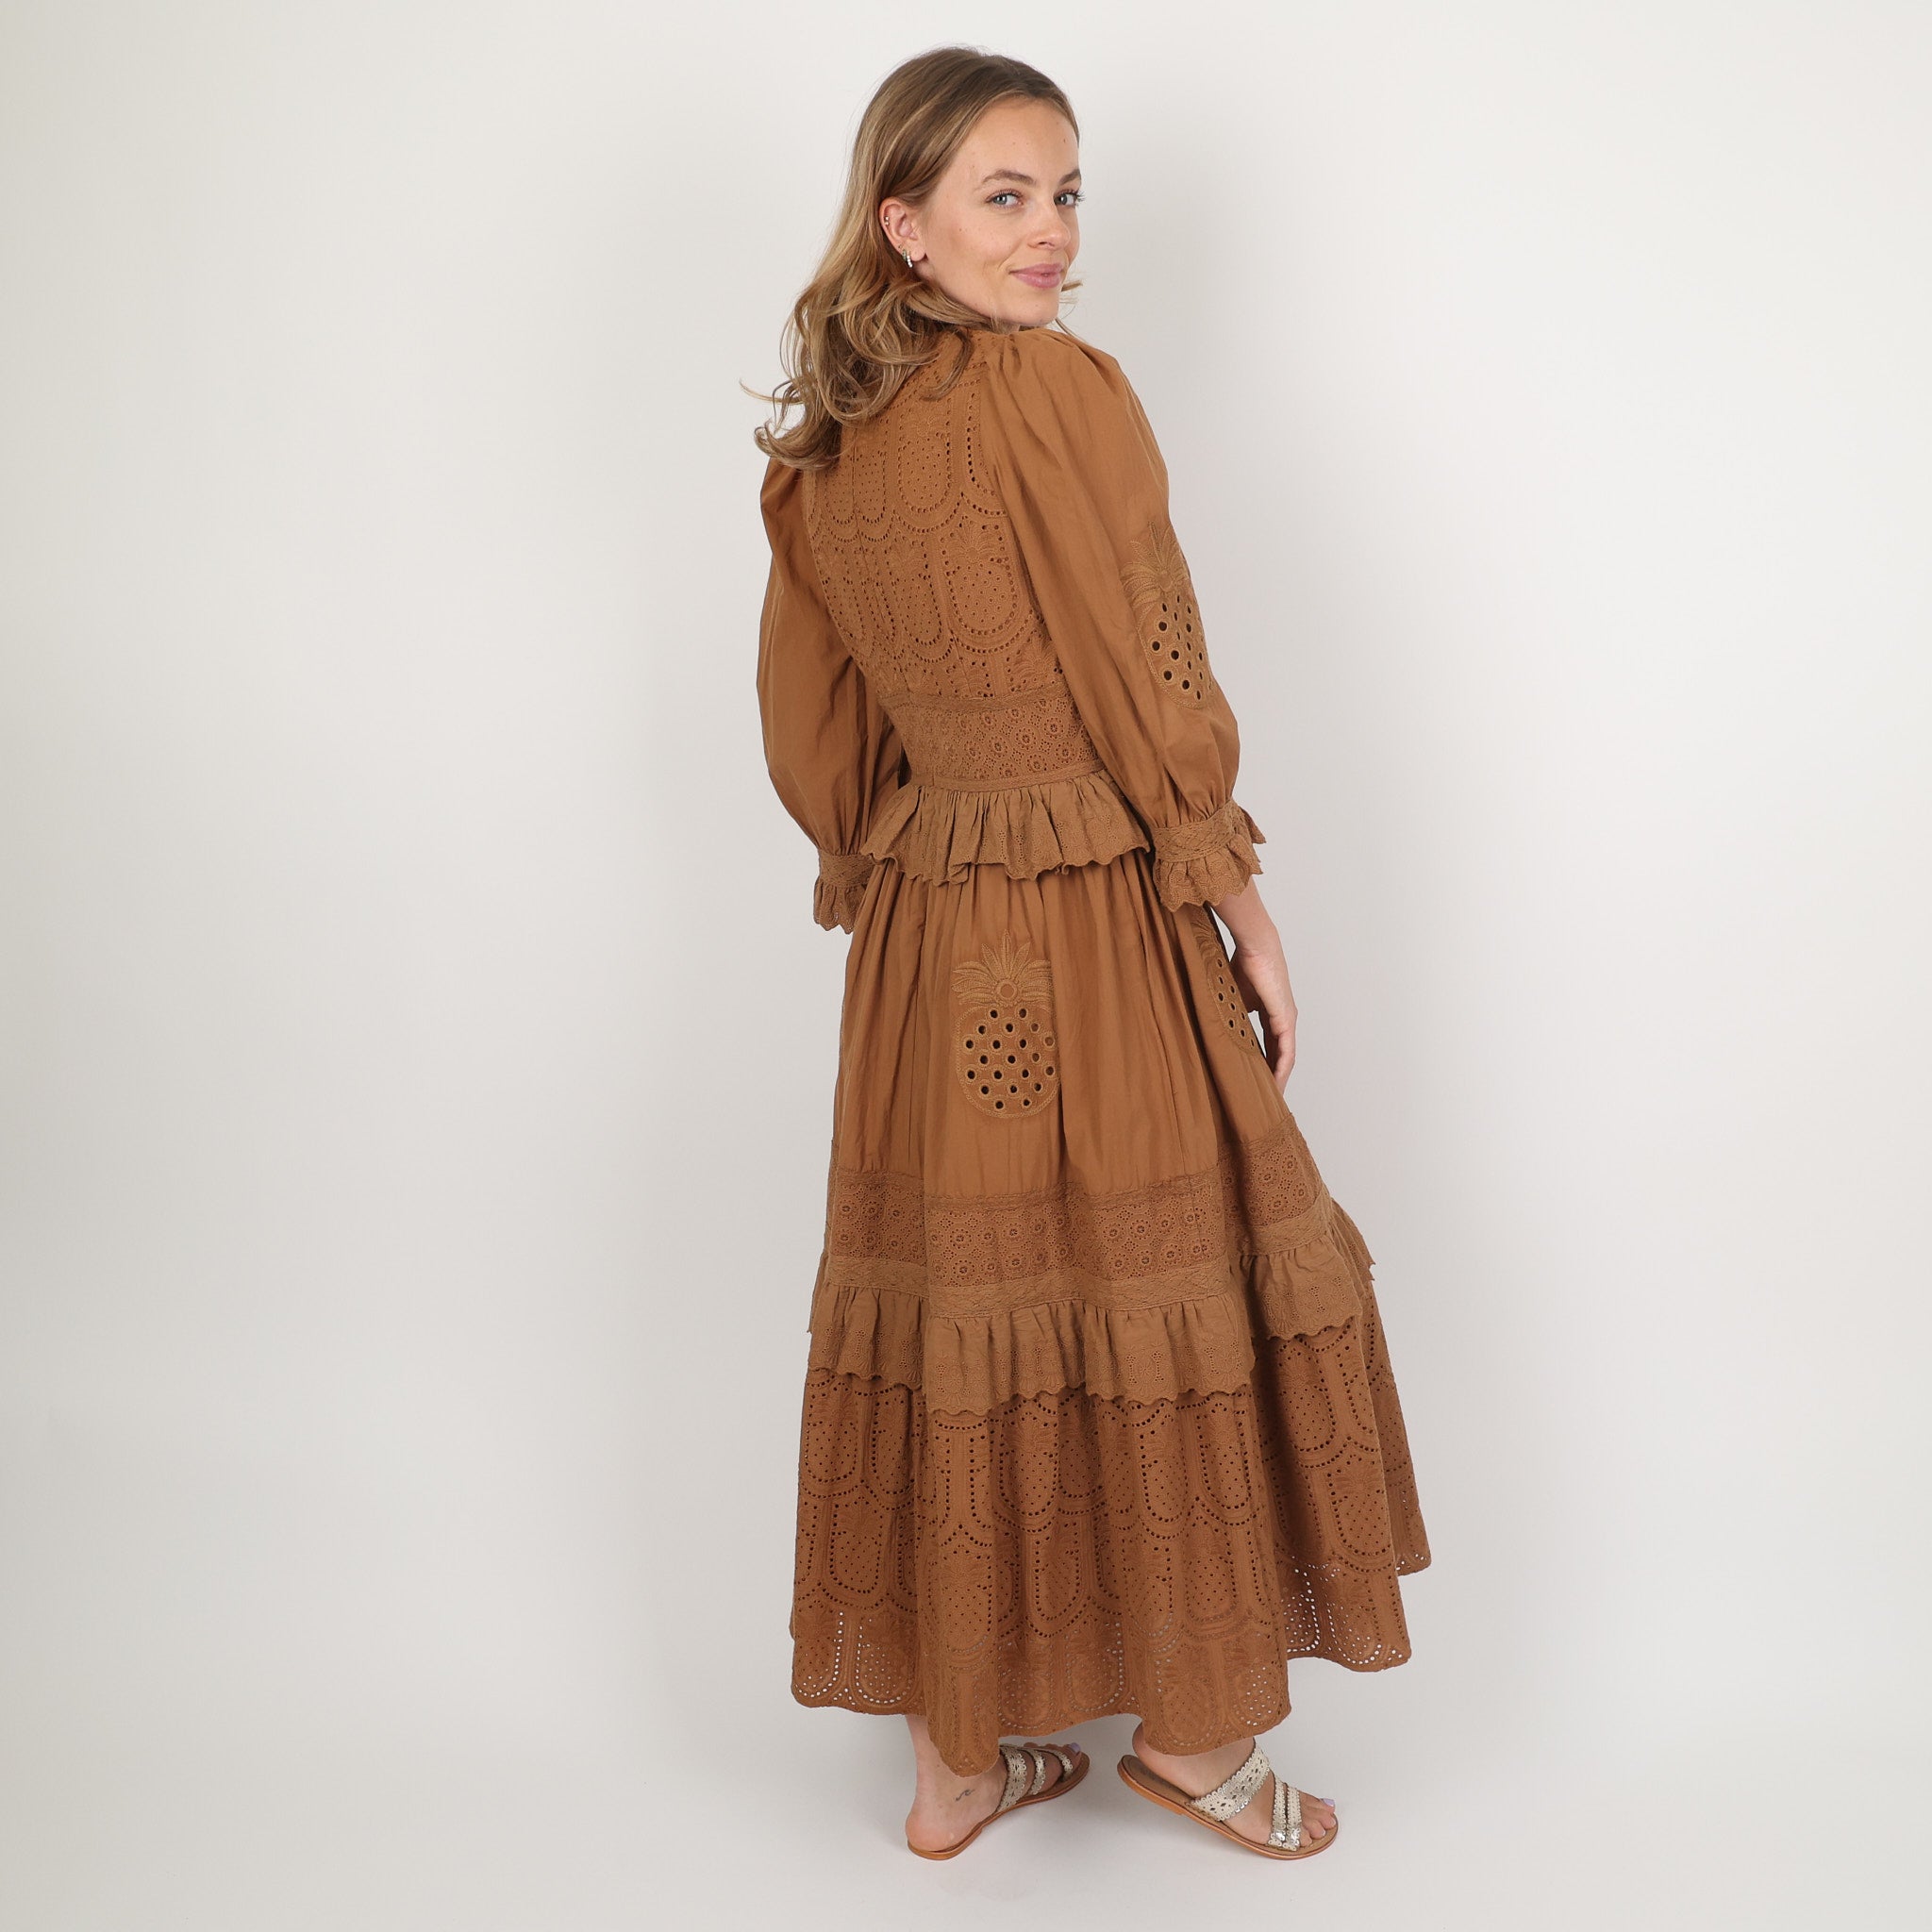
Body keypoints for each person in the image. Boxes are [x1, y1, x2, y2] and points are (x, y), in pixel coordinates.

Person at [750, 45, 1430, 1862]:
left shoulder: (820, 454)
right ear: (903, 221)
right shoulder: (1059, 393)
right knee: (1168, 1265)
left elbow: (815, 730)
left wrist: (891, 858)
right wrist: (1236, 896)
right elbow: (1149, 661)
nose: (1050, 232)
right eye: (1006, 195)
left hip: (925, 933)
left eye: (1065, 195)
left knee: (959, 1300)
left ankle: (955, 1770)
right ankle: (1196, 1745)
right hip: (1090, 911)